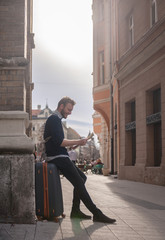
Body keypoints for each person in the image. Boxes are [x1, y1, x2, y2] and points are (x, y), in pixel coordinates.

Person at [44, 96, 116, 223]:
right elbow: (60, 142)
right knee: (79, 181)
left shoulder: (56, 119)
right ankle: (96, 213)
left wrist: (77, 144)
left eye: (71, 110)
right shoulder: (54, 119)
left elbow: (57, 142)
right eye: (68, 109)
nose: (70, 112)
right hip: (58, 157)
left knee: (82, 178)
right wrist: (79, 140)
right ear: (61, 106)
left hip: (60, 156)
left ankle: (76, 210)